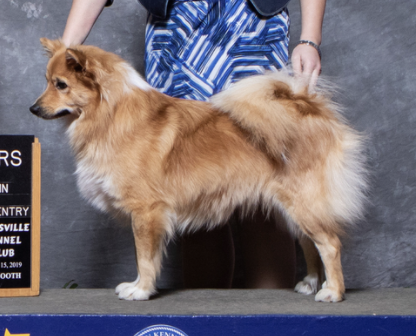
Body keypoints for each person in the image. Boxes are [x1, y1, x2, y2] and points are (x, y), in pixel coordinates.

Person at [62, 0, 326, 290]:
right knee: (190, 195)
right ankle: (204, 321)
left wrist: (310, 39)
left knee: (266, 193)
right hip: (178, 34)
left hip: (252, 30)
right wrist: (66, 48)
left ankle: (272, 324)